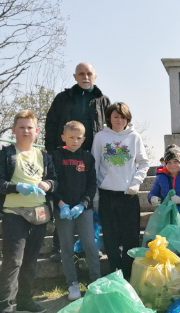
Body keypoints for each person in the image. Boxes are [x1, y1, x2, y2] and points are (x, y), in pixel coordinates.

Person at [0, 110, 57, 313]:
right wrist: (17, 187)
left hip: (39, 214)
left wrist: (48, 184)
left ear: (37, 131)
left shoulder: (44, 156)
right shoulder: (6, 154)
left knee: (30, 260)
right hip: (14, 213)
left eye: (30, 127)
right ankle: (3, 312)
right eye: (22, 127)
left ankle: (25, 300)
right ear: (14, 130)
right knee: (12, 261)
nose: (26, 131)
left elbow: (55, 180)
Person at [45, 62, 110, 262]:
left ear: (95, 76)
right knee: (63, 197)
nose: (85, 76)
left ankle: (91, 246)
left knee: (90, 200)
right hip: (64, 155)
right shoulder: (63, 98)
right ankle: (60, 248)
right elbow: (51, 124)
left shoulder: (103, 100)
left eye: (89, 73)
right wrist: (50, 153)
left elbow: (109, 128)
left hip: (91, 157)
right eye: (81, 73)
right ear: (74, 76)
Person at [91, 102, 149, 280]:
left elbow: (143, 162)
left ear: (127, 119)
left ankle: (128, 274)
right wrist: (95, 196)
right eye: (115, 116)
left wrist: (136, 182)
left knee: (130, 237)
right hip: (107, 194)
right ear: (109, 117)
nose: (118, 120)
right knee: (110, 237)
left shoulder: (134, 137)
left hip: (128, 195)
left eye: (122, 117)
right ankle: (115, 273)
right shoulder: (100, 137)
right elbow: (94, 165)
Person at [51, 121, 101, 300]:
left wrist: (83, 204)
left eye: (79, 138)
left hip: (83, 210)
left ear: (84, 139)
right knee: (66, 247)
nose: (75, 141)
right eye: (71, 137)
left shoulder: (87, 158)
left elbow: (91, 184)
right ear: (63, 137)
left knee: (90, 244)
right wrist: (61, 203)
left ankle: (95, 280)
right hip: (62, 209)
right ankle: (72, 283)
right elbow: (52, 183)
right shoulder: (55, 156)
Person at [148, 144, 180, 218]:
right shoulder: (160, 177)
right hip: (164, 210)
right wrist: (152, 198)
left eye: (175, 161)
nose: (172, 165)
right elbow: (153, 193)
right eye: (169, 162)